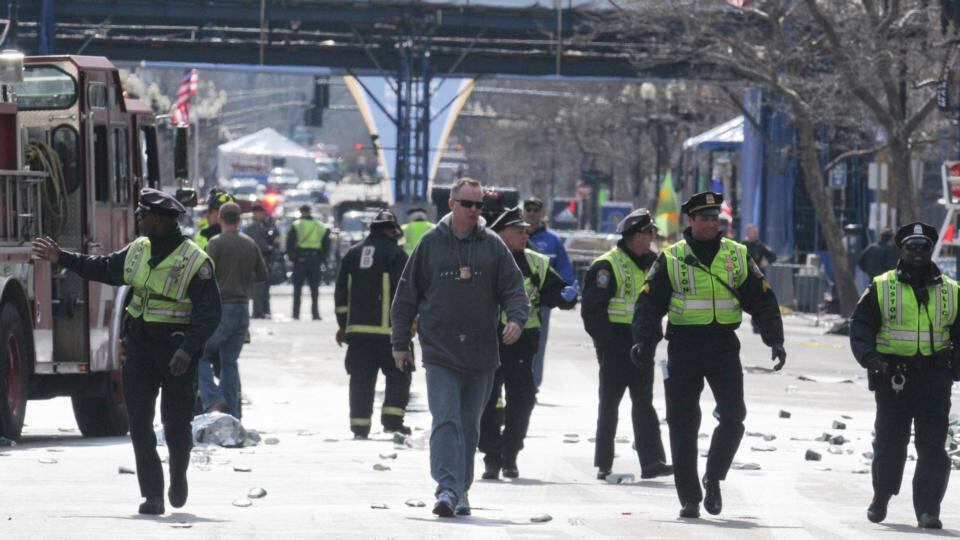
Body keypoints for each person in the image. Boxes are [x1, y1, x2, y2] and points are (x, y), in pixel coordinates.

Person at [31, 188, 221, 515]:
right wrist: (60, 257)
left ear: (159, 220)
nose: (137, 219)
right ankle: (153, 495)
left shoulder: (195, 261)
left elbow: (209, 314)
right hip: (140, 349)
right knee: (140, 423)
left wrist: (188, 350)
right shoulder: (138, 250)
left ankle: (178, 474)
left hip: (176, 352)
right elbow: (103, 268)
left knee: (175, 425)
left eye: (142, 215)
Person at [632, 191, 786, 519]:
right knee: (682, 424)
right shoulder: (672, 257)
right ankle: (689, 497)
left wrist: (775, 338)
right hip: (684, 346)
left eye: (716, 218)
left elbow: (762, 298)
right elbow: (648, 304)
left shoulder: (736, 254)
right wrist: (644, 342)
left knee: (734, 416)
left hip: (723, 346)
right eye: (704, 218)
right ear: (690, 221)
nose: (711, 223)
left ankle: (713, 477)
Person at [391, 178, 528, 518]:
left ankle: (461, 490)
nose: (474, 210)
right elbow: (406, 296)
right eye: (467, 204)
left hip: (481, 354)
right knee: (446, 419)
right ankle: (447, 487)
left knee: (469, 426)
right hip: (440, 351)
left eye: (479, 205)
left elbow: (514, 289)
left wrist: (516, 319)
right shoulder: (430, 243)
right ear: (451, 204)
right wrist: (400, 342)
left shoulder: (493, 245)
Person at [849, 222, 959, 530]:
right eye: (912, 247)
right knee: (889, 443)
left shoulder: (952, 290)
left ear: (931, 250)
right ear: (902, 249)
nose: (919, 253)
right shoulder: (882, 286)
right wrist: (870, 358)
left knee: (933, 447)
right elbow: (860, 326)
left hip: (935, 378)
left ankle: (928, 509)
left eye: (924, 247)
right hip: (893, 376)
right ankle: (882, 495)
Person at [478, 207, 577, 480]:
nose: (525, 235)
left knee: (522, 399)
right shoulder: (484, 260)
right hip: (488, 341)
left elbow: (554, 293)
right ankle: (490, 455)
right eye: (518, 231)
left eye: (526, 231)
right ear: (500, 234)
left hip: (522, 343)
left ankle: (510, 454)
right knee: (485, 398)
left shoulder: (537, 262)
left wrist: (567, 297)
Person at [581, 208, 673, 482]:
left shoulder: (654, 263)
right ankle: (604, 463)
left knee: (644, 402)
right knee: (609, 404)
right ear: (633, 236)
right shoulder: (607, 266)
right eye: (648, 233)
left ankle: (652, 462)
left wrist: (652, 338)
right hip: (614, 343)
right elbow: (592, 311)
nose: (651, 238)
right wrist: (607, 343)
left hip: (642, 342)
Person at [334, 209, 412, 439]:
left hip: (358, 333)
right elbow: (405, 293)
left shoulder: (352, 254)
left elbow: (341, 294)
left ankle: (359, 426)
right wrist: (409, 326)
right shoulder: (397, 255)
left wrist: (343, 325)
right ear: (392, 230)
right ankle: (392, 422)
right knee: (399, 375)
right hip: (390, 333)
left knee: (360, 380)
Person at [197, 202, 267, 419]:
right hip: (242, 309)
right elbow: (262, 275)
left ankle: (211, 399)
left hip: (222, 308)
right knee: (229, 361)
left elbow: (204, 276)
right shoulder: (250, 244)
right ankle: (233, 413)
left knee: (200, 355)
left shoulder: (215, 243)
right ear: (239, 220)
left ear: (220, 219)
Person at [524, 196, 576, 391]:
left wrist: (566, 293)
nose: (531, 212)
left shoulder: (552, 240)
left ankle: (532, 385)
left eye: (536, 209)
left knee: (538, 343)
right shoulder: (514, 234)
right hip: (515, 300)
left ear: (542, 213)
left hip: (541, 301)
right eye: (528, 209)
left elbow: (564, 270)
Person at [286, 204, 330, 320]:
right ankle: (315, 314)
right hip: (315, 260)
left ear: (301, 212)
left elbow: (290, 243)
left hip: (300, 260)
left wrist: (292, 258)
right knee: (314, 289)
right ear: (310, 212)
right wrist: (322, 258)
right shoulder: (320, 225)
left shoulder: (296, 225)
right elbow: (326, 244)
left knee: (297, 289)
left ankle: (296, 314)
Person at [243, 203, 278, 318]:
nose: (263, 215)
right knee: (258, 288)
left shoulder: (261, 225)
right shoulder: (254, 227)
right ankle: (257, 311)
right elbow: (259, 244)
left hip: (259, 260)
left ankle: (263, 310)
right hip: (256, 260)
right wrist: (270, 248)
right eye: (261, 213)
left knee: (262, 287)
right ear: (256, 214)